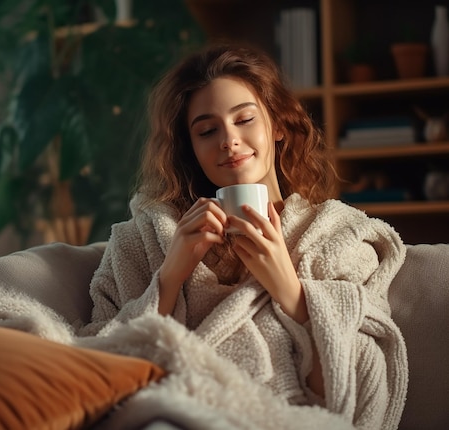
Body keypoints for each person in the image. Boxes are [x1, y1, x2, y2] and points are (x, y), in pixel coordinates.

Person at [78, 43, 408, 429]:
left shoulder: (341, 236)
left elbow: (350, 392)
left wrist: (291, 291)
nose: (228, 140)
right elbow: (100, 365)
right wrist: (170, 277)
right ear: (192, 149)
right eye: (207, 130)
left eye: (245, 119)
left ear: (279, 126)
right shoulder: (148, 237)